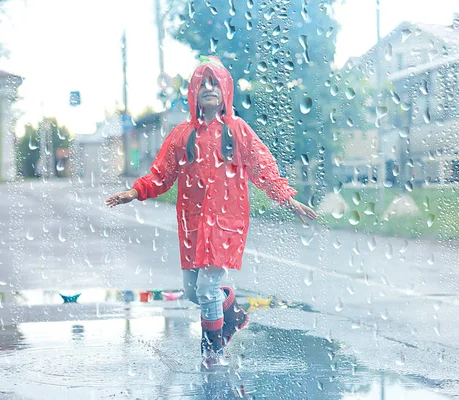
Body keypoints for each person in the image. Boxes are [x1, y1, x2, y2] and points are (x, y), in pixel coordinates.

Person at [105, 56, 317, 368]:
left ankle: (212, 355)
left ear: (225, 90)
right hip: (192, 225)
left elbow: (264, 170)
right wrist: (134, 192)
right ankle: (233, 313)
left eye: (214, 82)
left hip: (227, 224)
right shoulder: (182, 134)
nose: (208, 88)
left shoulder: (238, 130)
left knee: (207, 288)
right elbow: (161, 175)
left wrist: (287, 198)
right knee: (193, 291)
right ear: (193, 92)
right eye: (201, 83)